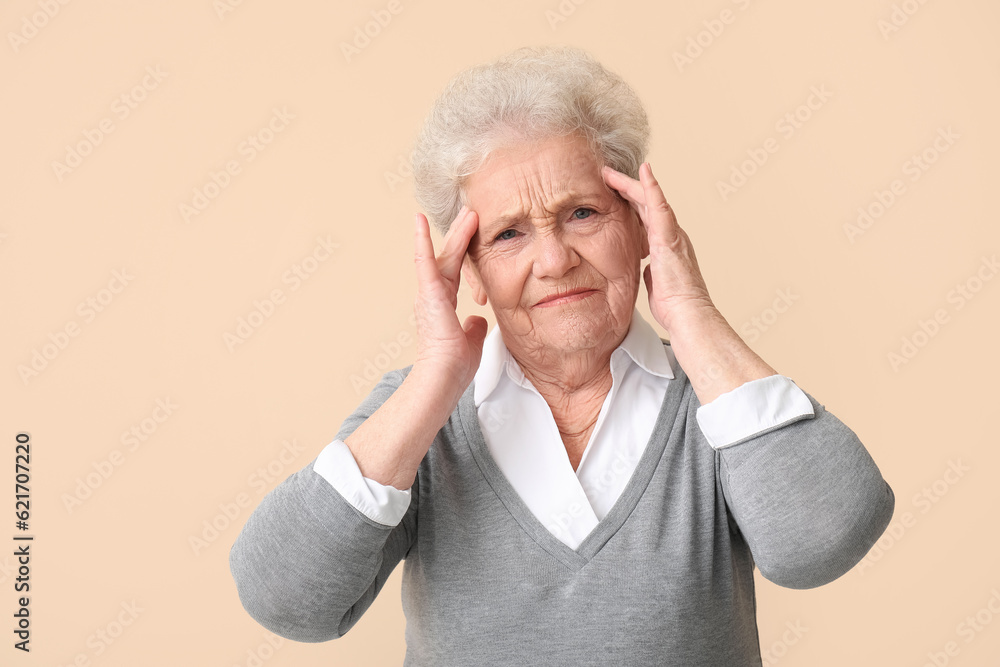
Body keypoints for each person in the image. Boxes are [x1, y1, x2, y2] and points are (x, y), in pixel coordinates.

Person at [229, 46, 894, 666]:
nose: (553, 260)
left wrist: (692, 313)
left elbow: (826, 539)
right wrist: (436, 376)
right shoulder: (418, 418)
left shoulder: (719, 401)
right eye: (509, 233)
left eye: (581, 213)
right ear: (471, 271)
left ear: (640, 225)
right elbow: (286, 599)